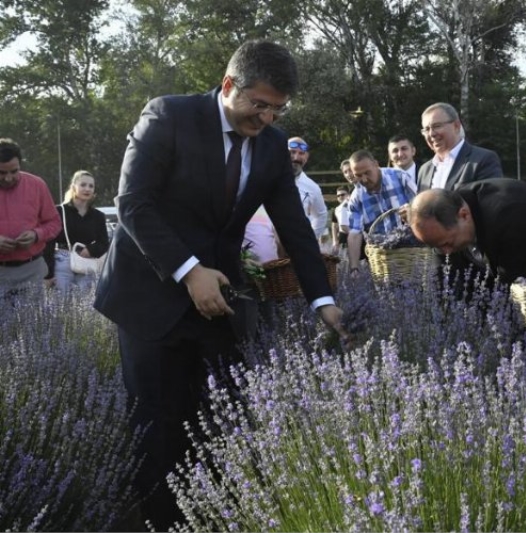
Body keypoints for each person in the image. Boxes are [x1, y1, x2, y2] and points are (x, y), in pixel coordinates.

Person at [93, 39, 347, 529]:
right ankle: (160, 523)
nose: (268, 119)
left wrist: (323, 301)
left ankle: (209, 517)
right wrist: (189, 271)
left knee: (217, 419)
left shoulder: (272, 145)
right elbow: (133, 205)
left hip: (217, 302)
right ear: (230, 85)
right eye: (260, 104)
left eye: (278, 109)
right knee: (158, 426)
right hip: (148, 296)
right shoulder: (168, 116)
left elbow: (294, 225)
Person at [0, 138, 61, 290]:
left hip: (31, 271)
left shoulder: (37, 185)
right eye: (1, 173)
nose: (8, 178)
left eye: (14, 171)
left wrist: (36, 235)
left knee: (33, 315)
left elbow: (54, 223)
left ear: (20, 164)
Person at [346, 149, 417, 271]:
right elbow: (354, 234)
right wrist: (354, 268)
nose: (364, 179)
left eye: (367, 173)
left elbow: (422, 209)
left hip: (412, 254)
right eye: (358, 175)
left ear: (376, 164)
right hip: (383, 263)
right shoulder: (356, 197)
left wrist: (411, 212)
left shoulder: (400, 177)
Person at [44, 170, 110, 292]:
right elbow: (48, 243)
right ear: (74, 187)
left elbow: (104, 242)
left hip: (87, 262)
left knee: (85, 304)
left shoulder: (98, 216)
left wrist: (90, 250)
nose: (87, 189)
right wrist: (48, 274)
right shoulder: (59, 211)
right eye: (83, 185)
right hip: (62, 260)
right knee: (61, 304)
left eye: (91, 186)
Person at [417, 103, 503, 191]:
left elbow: (491, 202)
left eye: (437, 126)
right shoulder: (424, 170)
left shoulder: (483, 159)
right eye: (427, 129)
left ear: (456, 126)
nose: (431, 134)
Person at [288, 136, 328, 243]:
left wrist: (310, 239)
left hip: (294, 246)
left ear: (306, 157)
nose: (296, 157)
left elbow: (321, 215)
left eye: (301, 153)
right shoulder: (266, 177)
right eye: (292, 152)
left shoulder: (312, 187)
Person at [331, 186, 351, 254]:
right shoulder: (336, 210)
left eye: (342, 194)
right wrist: (335, 240)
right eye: (338, 195)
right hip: (343, 237)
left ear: (348, 194)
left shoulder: (354, 205)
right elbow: (334, 225)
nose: (340, 197)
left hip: (357, 235)